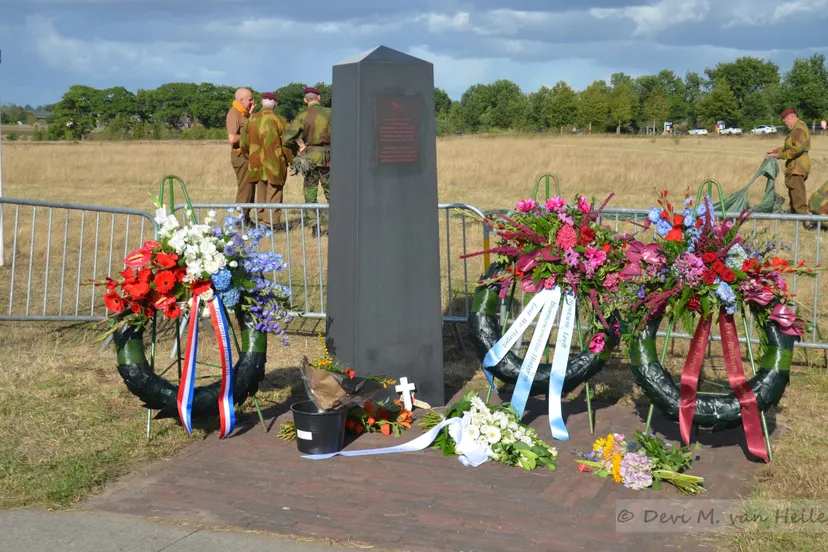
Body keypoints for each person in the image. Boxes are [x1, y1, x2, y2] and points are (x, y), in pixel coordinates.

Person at [239, 92, 292, 227]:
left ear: (262, 103)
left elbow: (243, 144)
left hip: (256, 163)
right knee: (274, 192)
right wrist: (291, 162)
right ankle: (270, 224)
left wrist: (250, 157)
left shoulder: (251, 120)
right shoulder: (280, 120)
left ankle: (262, 222)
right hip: (275, 164)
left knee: (261, 193)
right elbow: (287, 145)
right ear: (276, 104)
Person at [283, 86, 331, 231]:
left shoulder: (302, 115)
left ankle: (314, 227)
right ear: (319, 98)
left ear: (305, 100)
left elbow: (286, 139)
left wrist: (300, 147)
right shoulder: (331, 113)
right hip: (329, 158)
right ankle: (335, 225)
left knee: (310, 192)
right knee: (331, 192)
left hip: (309, 159)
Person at [767, 107, 812, 228]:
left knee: (798, 193)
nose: (785, 123)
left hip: (798, 165)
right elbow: (788, 147)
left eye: (785, 121)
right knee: (793, 190)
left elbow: (797, 149)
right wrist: (775, 152)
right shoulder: (796, 129)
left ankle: (804, 222)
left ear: (790, 118)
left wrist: (780, 155)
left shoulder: (799, 129)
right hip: (795, 165)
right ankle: (795, 218)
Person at [226, 88, 256, 219]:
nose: (252, 102)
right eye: (250, 99)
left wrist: (251, 115)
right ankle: (239, 220)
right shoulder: (234, 114)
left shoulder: (244, 113)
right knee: (245, 187)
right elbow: (232, 139)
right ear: (241, 100)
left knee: (250, 188)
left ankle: (246, 217)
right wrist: (248, 134)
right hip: (240, 156)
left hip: (247, 156)